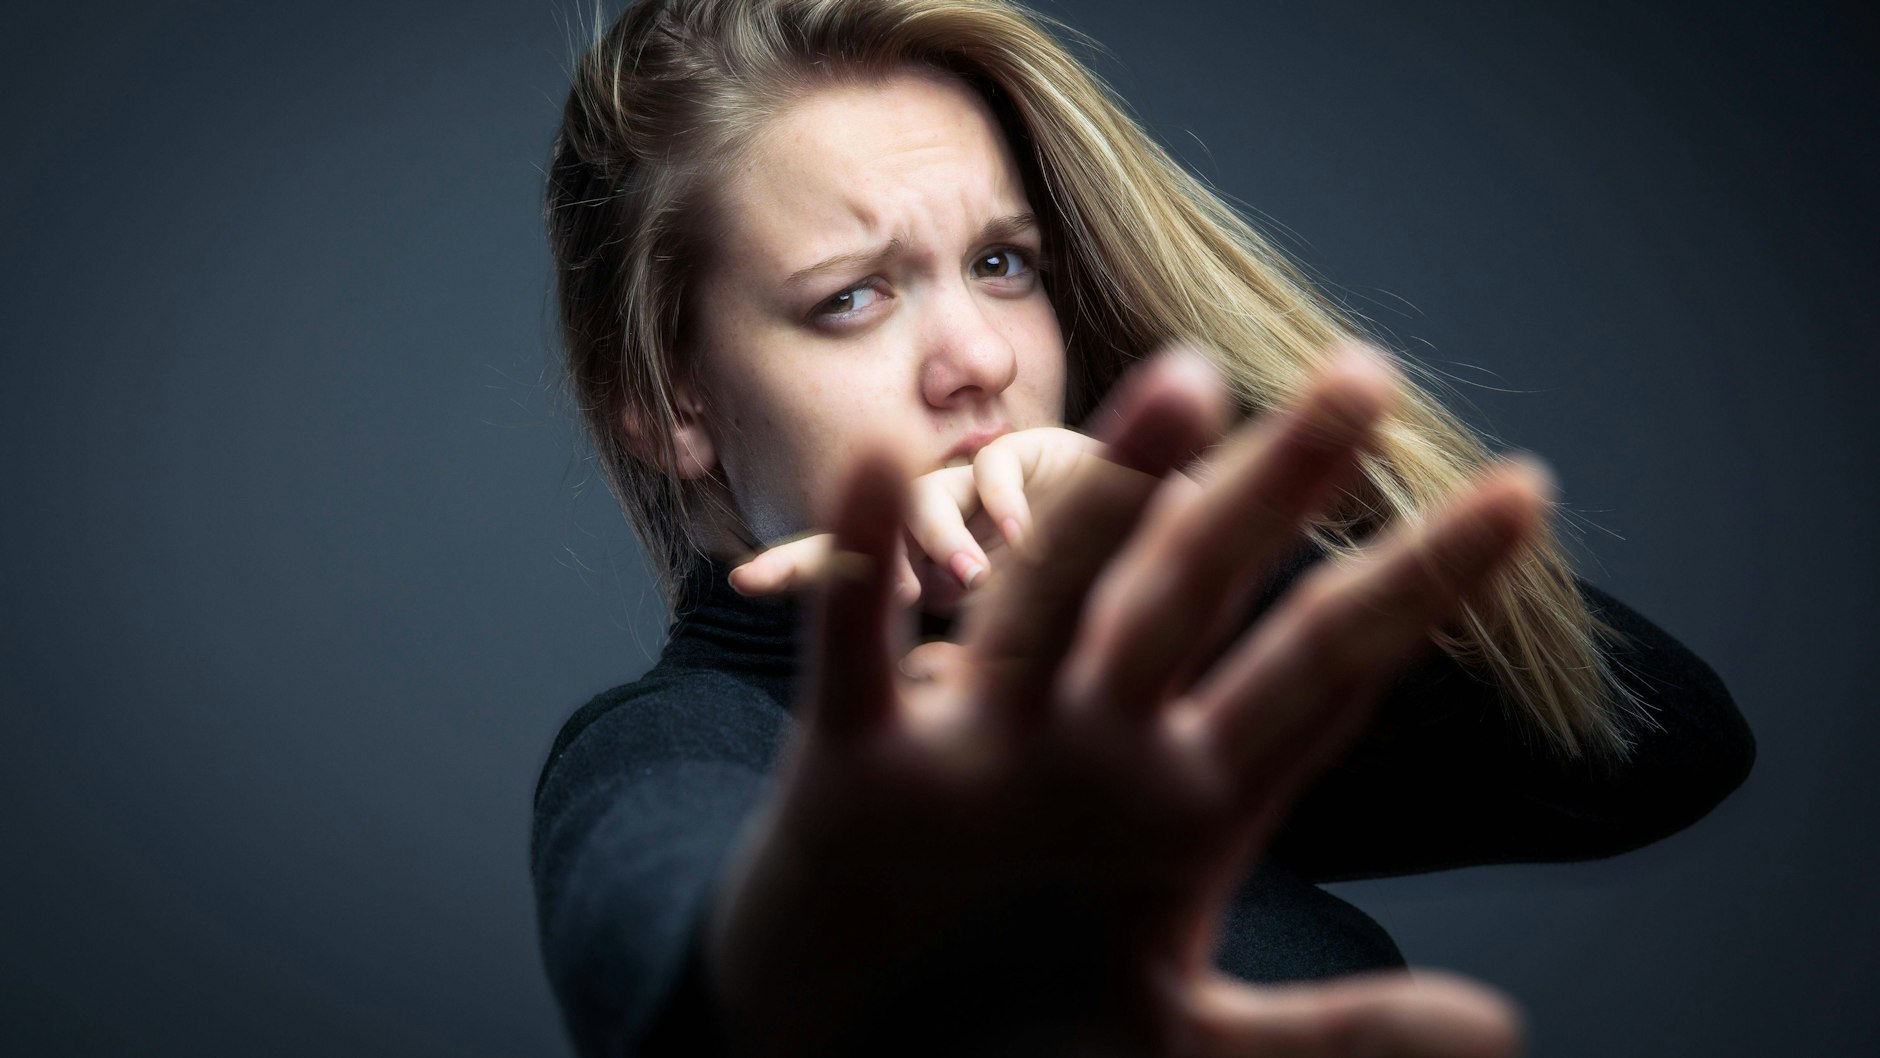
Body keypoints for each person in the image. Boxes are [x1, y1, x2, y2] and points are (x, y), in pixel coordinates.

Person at [530, 1, 1755, 1054]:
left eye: (1004, 264)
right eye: (851, 296)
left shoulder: (1141, 727)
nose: (978, 357)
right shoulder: (671, 745)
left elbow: (1664, 743)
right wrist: (825, 962)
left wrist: (1194, 558)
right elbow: (675, 957)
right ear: (672, 404)